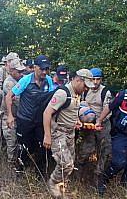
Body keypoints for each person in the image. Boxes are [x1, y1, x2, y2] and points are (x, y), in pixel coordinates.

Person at [43, 69, 94, 197]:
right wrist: (47, 136)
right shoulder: (62, 93)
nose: (86, 89)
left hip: (70, 133)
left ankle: (61, 186)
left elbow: (73, 109)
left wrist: (76, 120)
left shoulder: (78, 93)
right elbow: (47, 113)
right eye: (85, 86)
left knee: (70, 162)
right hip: (58, 132)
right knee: (66, 164)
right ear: (78, 80)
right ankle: (53, 183)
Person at [6, 54, 54, 173]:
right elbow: (9, 96)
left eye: (46, 69)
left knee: (43, 147)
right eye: (41, 69)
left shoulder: (48, 80)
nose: (44, 72)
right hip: (25, 120)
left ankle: (40, 173)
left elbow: (53, 98)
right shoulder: (26, 80)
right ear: (34, 67)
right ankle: (20, 170)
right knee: (24, 147)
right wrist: (10, 115)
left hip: (40, 121)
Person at [76, 68, 113, 183]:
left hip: (103, 123)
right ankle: (78, 174)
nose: (95, 82)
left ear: (101, 79)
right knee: (86, 149)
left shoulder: (105, 91)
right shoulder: (85, 90)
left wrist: (100, 121)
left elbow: (108, 108)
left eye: (98, 79)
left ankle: (99, 176)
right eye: (93, 79)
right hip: (88, 123)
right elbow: (79, 104)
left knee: (105, 150)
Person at [0, 52, 19, 149]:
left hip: (10, 108)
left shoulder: (18, 72)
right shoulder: (0, 72)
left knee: (10, 134)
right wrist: (8, 95)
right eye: (11, 61)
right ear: (6, 63)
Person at [1, 59, 25, 164]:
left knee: (18, 142)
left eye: (22, 71)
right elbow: (18, 101)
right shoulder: (9, 83)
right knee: (12, 142)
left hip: (18, 117)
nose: (21, 74)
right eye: (18, 72)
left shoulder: (21, 80)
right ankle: (11, 165)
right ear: (11, 71)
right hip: (9, 117)